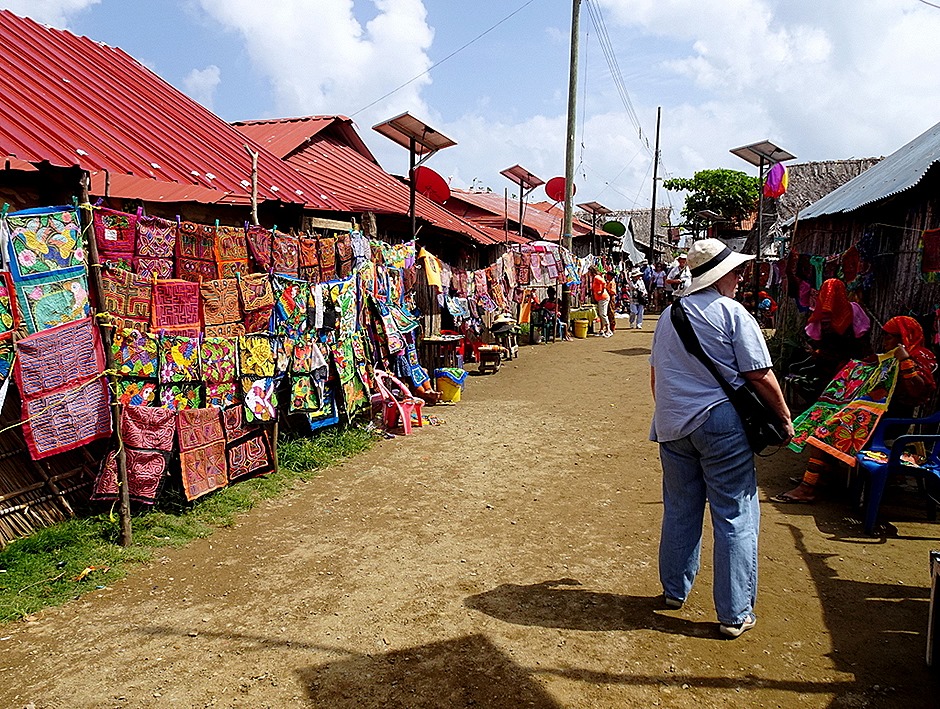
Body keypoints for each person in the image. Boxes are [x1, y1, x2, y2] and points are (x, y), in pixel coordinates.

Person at [649, 238, 794, 638]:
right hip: (720, 426)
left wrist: (673, 413)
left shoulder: (667, 316)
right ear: (722, 276)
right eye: (736, 271)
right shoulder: (732, 313)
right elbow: (758, 374)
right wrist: (784, 417)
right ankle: (734, 613)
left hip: (672, 426)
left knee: (680, 508)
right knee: (735, 513)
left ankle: (673, 591)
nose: (740, 277)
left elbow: (656, 378)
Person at [773, 315, 937, 503]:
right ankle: (823, 476)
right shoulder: (887, 358)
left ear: (903, 339)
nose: (883, 340)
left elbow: (917, 389)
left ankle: (807, 488)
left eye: (888, 336)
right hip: (872, 413)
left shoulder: (919, 358)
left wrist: (905, 361)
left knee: (825, 431)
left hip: (892, 421)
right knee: (821, 417)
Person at [786, 278, 872, 408]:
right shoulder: (854, 310)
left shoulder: (820, 314)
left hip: (831, 365)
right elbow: (863, 335)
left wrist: (818, 353)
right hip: (851, 365)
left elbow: (815, 338)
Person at [589, 265, 612, 338]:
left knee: (603, 314)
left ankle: (608, 330)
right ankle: (602, 330)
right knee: (601, 314)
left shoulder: (596, 277)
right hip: (600, 298)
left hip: (603, 297)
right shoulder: (596, 278)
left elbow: (604, 283)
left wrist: (601, 291)